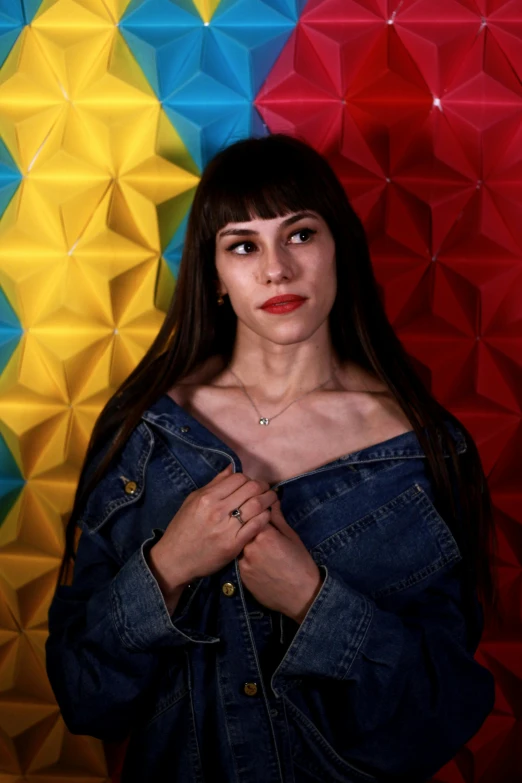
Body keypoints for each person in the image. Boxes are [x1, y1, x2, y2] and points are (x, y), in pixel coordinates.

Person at [45, 133, 497, 783]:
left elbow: (440, 718)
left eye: (301, 235)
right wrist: (168, 567)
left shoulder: (424, 453)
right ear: (217, 277)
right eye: (243, 245)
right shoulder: (146, 433)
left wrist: (315, 600)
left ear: (339, 248)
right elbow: (84, 695)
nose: (277, 269)